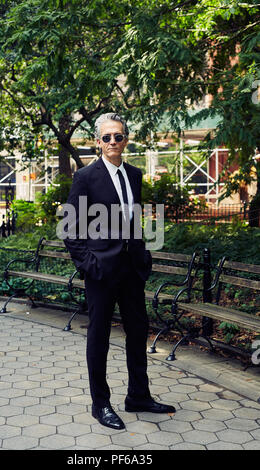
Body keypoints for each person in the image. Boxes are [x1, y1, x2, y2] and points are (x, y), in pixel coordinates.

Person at [64, 113, 175, 430]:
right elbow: (70, 227)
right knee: (98, 338)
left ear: (125, 140)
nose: (114, 142)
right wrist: (88, 264)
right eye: (108, 137)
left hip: (131, 270)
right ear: (98, 142)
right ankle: (101, 405)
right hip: (101, 271)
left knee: (138, 332)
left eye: (119, 136)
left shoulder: (135, 175)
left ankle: (138, 395)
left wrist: (143, 256)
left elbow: (135, 221)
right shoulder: (86, 177)